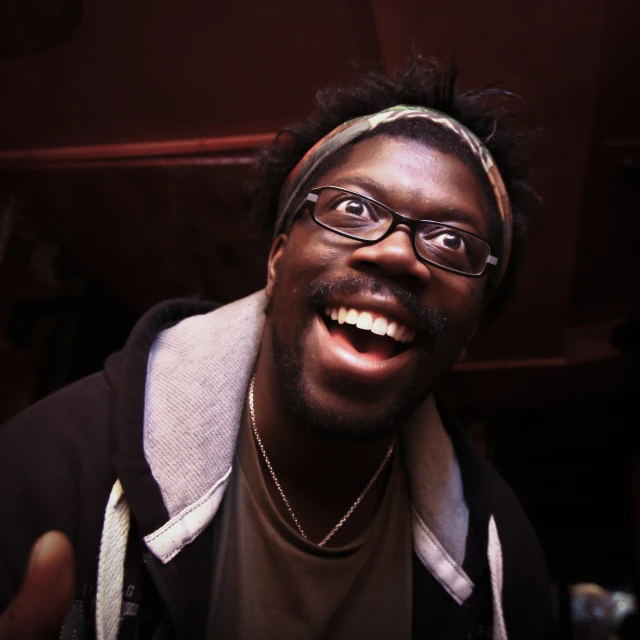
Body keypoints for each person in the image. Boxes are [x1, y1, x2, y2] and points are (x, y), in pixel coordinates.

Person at [0, 55, 552, 639]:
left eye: (450, 241)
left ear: (469, 333)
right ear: (278, 258)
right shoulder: (51, 473)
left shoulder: (502, 566)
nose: (395, 254)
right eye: (355, 208)